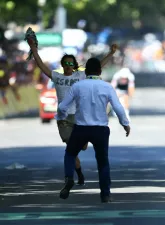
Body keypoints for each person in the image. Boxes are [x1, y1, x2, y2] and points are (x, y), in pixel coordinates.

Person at [27, 38, 118, 186]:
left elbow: (98, 66)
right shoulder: (57, 76)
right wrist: (34, 50)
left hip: (78, 117)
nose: (68, 66)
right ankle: (77, 175)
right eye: (66, 63)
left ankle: (78, 172)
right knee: (71, 149)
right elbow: (41, 65)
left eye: (71, 63)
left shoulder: (80, 76)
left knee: (80, 147)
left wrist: (110, 53)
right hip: (63, 119)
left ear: (74, 65)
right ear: (62, 65)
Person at [55, 57, 130, 203]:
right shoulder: (107, 87)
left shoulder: (78, 86)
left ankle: (69, 177)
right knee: (103, 162)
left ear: (86, 71)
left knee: (70, 154)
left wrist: (61, 116)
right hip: (100, 130)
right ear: (100, 71)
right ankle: (105, 194)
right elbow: (118, 107)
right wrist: (125, 124)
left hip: (81, 128)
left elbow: (63, 107)